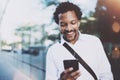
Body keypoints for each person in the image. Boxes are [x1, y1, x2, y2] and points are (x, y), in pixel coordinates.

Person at [45, 2, 113, 80]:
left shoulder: (94, 42)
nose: (69, 28)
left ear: (78, 22)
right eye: (63, 24)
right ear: (59, 25)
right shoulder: (53, 51)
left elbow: (106, 74)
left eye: (73, 23)